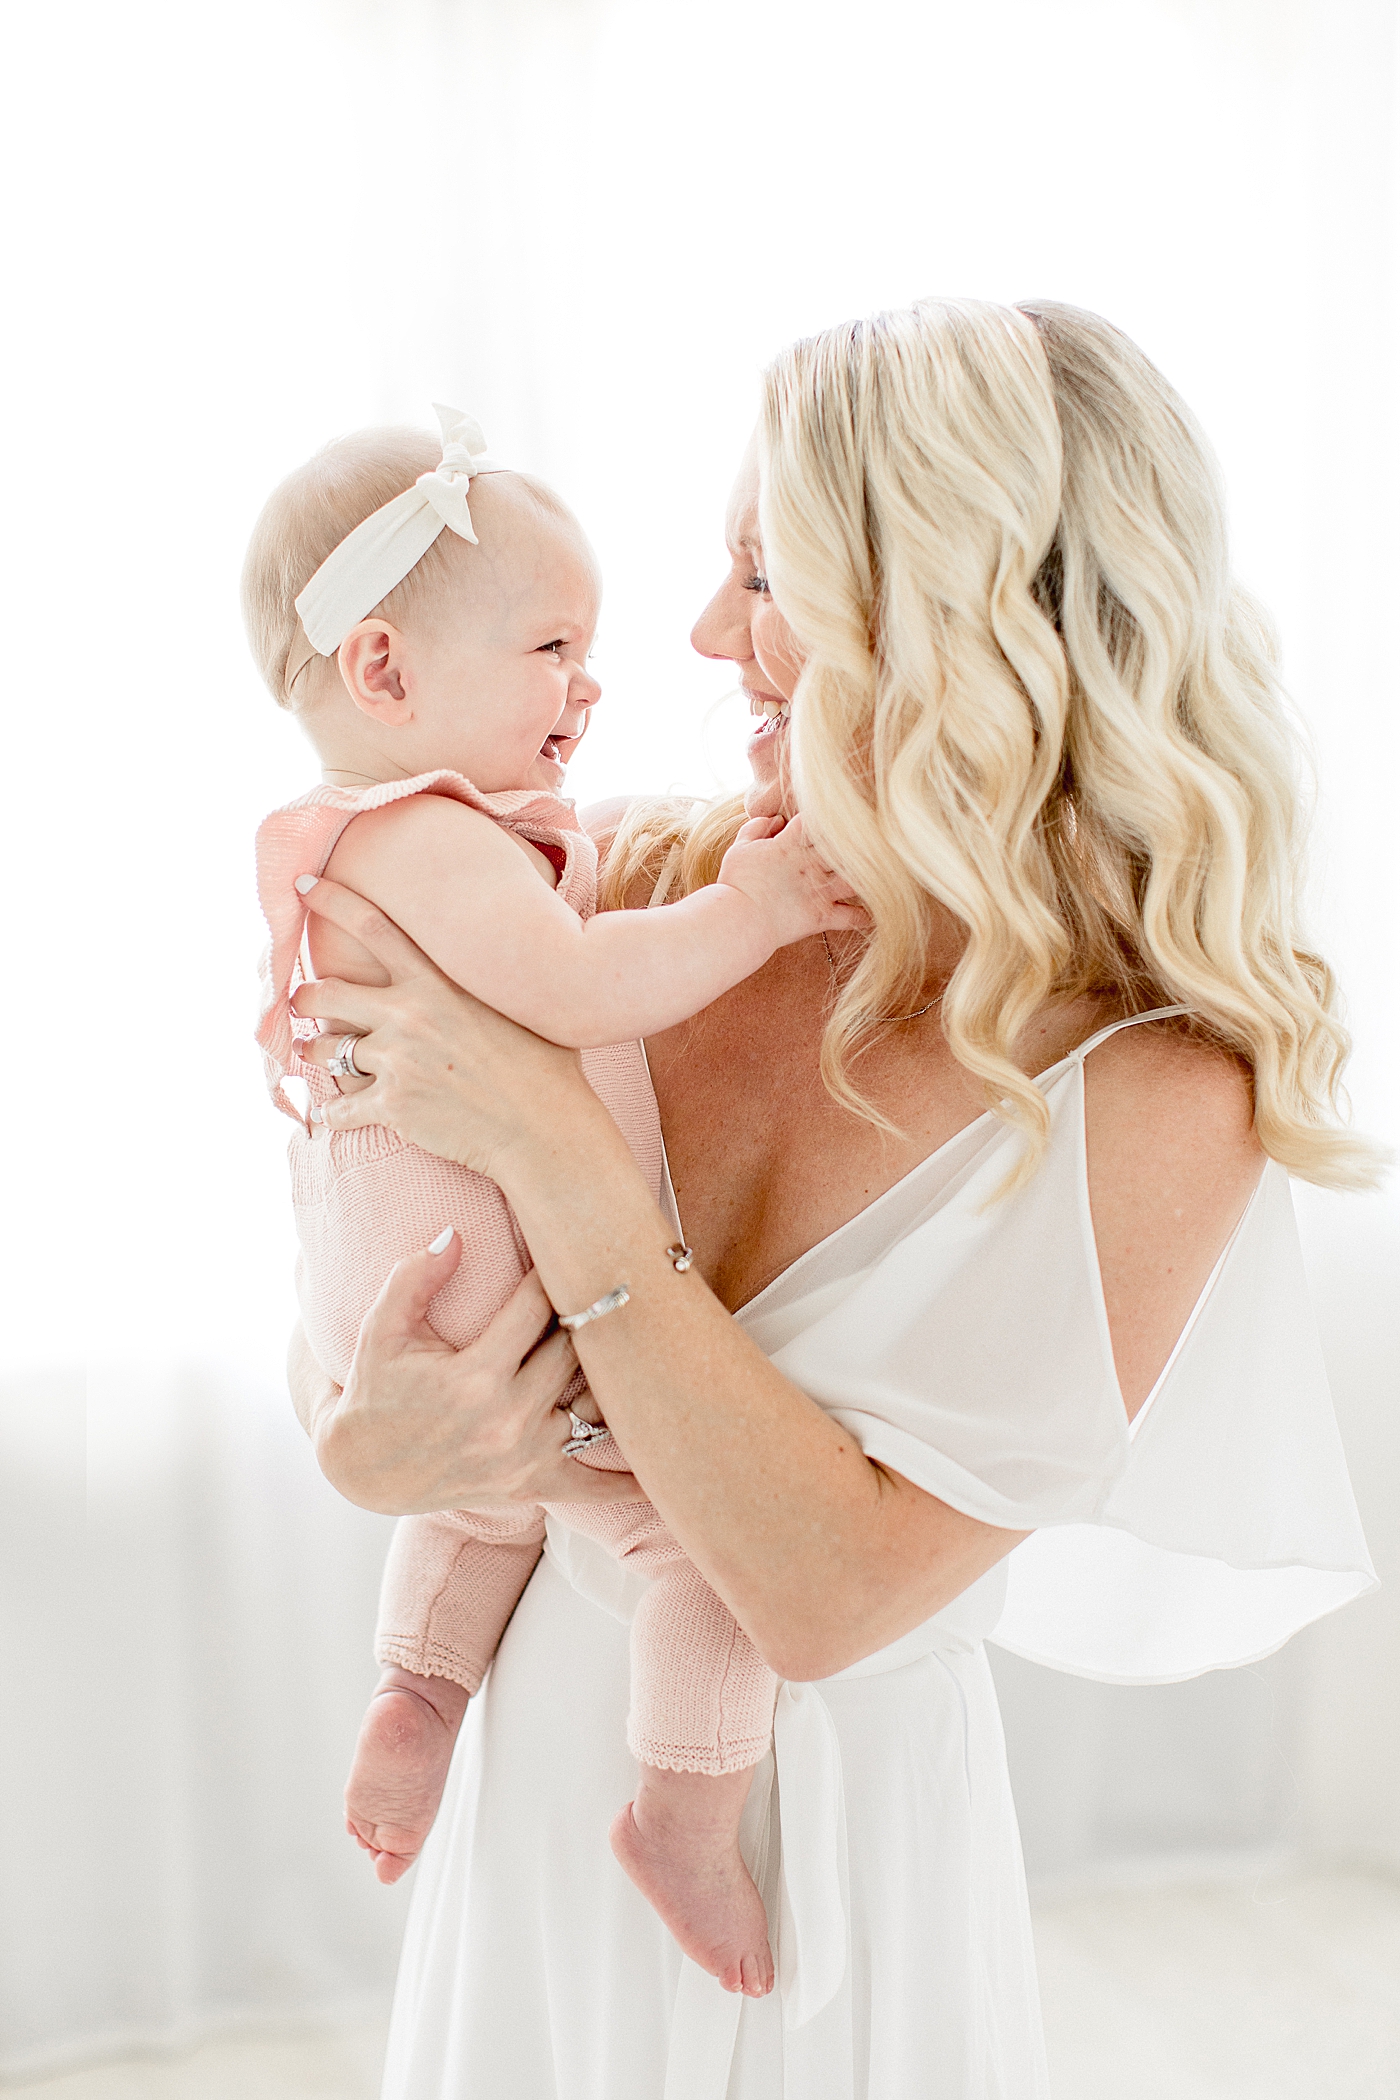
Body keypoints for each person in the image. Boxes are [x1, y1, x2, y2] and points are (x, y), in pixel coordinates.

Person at [287, 300, 1378, 2100]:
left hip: (831, 1869)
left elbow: (822, 1594)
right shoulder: (620, 888)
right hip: (534, 1772)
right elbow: (364, 1236)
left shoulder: (1163, 1094)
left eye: (762, 575)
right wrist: (359, 1444)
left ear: (956, 624)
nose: (707, 632)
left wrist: (567, 1163)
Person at [245, 408, 867, 1996]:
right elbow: (584, 991)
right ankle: (683, 1814)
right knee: (699, 1556)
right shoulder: (428, 840)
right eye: (551, 645)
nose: (591, 684)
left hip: (408, 1290)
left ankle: (419, 1698)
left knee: (482, 1507)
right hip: (476, 1275)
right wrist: (760, 900)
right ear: (382, 674)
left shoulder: (408, 846)